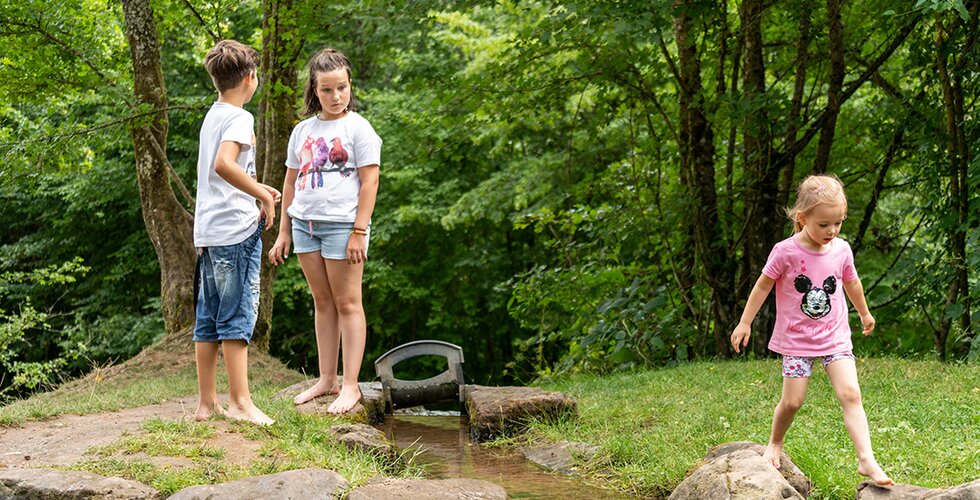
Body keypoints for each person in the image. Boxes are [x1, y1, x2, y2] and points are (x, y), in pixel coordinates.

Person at [730, 174, 894, 486]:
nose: (832, 231)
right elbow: (763, 285)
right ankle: (775, 443)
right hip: (796, 342)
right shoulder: (785, 251)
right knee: (792, 402)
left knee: (851, 393)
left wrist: (864, 311)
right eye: (824, 225)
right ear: (803, 218)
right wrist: (744, 321)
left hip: (835, 338)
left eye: (838, 223)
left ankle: (866, 459)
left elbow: (851, 282)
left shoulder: (841, 249)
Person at [268, 48, 381, 414]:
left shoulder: (359, 128)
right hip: (304, 225)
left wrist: (358, 231)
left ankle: (350, 386)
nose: (336, 97)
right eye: (328, 90)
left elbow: (370, 181)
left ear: (350, 86)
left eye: (342, 88)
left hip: (343, 227)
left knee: (348, 302)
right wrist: (284, 231)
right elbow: (290, 182)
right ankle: (326, 380)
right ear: (314, 91)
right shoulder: (302, 130)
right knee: (322, 302)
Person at [193, 39, 280, 425]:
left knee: (208, 317)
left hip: (210, 232)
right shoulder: (241, 117)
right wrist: (263, 195)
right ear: (250, 79)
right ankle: (241, 404)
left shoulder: (213, 114)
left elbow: (226, 172)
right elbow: (224, 165)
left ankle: (206, 405)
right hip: (234, 232)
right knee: (237, 315)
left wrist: (258, 189)